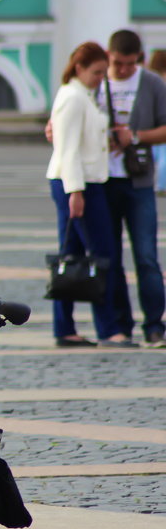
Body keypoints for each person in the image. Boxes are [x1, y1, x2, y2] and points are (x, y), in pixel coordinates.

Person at [46, 41, 126, 348]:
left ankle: (64, 328)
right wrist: (76, 192)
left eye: (103, 72)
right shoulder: (72, 97)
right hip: (77, 184)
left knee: (72, 257)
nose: (100, 77)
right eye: (96, 71)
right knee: (100, 255)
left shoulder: (85, 96)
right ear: (78, 68)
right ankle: (108, 329)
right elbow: (67, 150)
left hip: (81, 182)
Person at [97, 30, 166, 347]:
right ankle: (119, 325)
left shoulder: (152, 83)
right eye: (117, 63)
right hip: (102, 180)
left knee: (146, 257)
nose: (122, 69)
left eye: (129, 63)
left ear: (139, 58)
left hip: (138, 183)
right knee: (108, 257)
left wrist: (134, 136)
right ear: (108, 56)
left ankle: (154, 325)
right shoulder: (96, 82)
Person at [149, 49, 166, 196]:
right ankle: (162, 184)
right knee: (164, 154)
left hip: (153, 122)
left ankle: (157, 182)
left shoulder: (151, 79)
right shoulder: (161, 80)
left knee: (156, 153)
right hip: (162, 121)